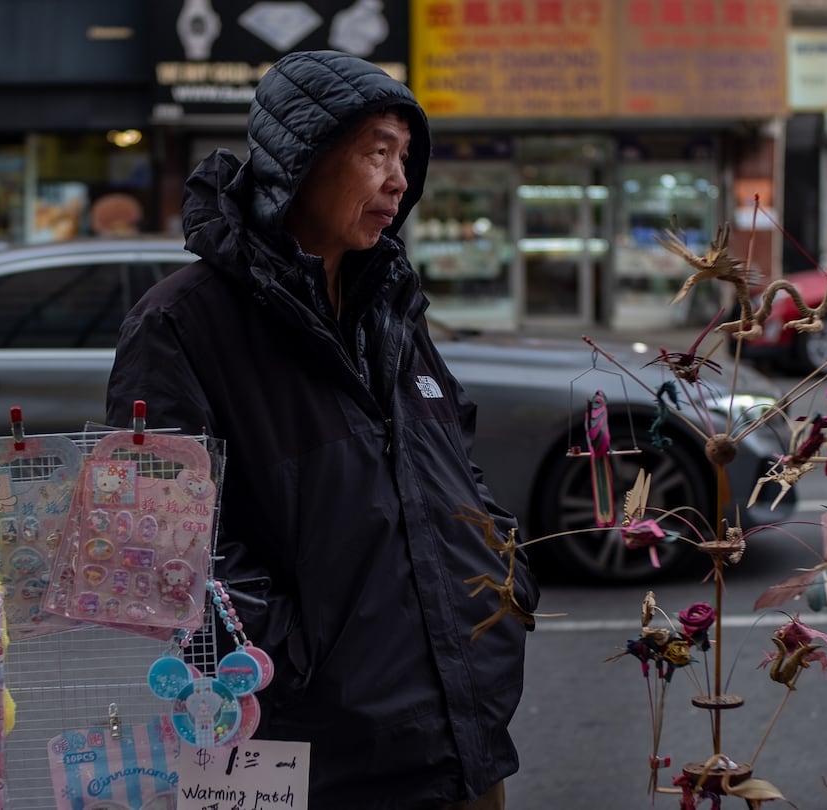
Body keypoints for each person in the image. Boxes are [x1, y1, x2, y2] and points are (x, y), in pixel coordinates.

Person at [106, 51, 538, 809]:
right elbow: (161, 548)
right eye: (376, 151)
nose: (400, 180)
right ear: (298, 161)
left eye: (405, 157)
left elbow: (453, 464)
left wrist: (502, 576)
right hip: (314, 748)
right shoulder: (182, 323)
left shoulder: (390, 305)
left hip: (461, 730)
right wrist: (289, 659)